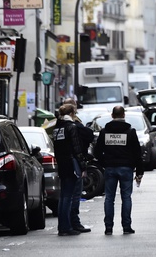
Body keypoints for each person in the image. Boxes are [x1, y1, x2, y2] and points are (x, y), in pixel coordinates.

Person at [93, 105, 143, 235]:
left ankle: (108, 227)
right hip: (126, 168)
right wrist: (139, 171)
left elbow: (97, 151)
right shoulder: (130, 131)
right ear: (124, 115)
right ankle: (126, 226)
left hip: (110, 168)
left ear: (112, 116)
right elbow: (138, 153)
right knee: (126, 197)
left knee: (109, 198)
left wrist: (104, 162)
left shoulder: (105, 132)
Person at [52, 104, 87, 236]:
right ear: (71, 113)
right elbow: (76, 148)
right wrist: (82, 166)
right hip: (71, 163)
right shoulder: (71, 127)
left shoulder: (57, 128)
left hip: (62, 163)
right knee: (69, 196)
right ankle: (66, 227)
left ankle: (62, 225)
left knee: (63, 196)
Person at [63, 98, 94, 233]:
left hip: (64, 162)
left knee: (66, 196)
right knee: (74, 194)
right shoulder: (73, 125)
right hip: (74, 161)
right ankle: (73, 223)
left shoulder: (59, 124)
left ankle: (65, 225)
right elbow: (86, 136)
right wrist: (82, 163)